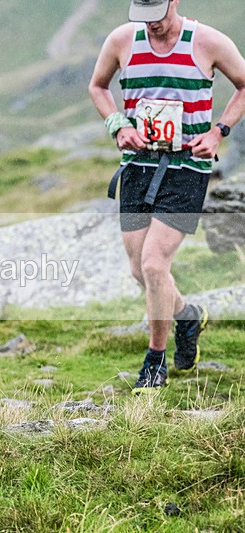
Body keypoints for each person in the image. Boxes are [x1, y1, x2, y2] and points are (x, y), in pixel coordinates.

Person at [89, 0, 245, 393]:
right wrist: (117, 125)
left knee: (155, 265)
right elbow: (98, 86)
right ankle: (187, 315)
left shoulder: (207, 41)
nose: (151, 25)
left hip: (186, 169)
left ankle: (154, 360)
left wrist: (218, 132)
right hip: (137, 167)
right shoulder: (122, 40)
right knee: (138, 270)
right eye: (143, 17)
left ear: (174, 2)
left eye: (158, 14)